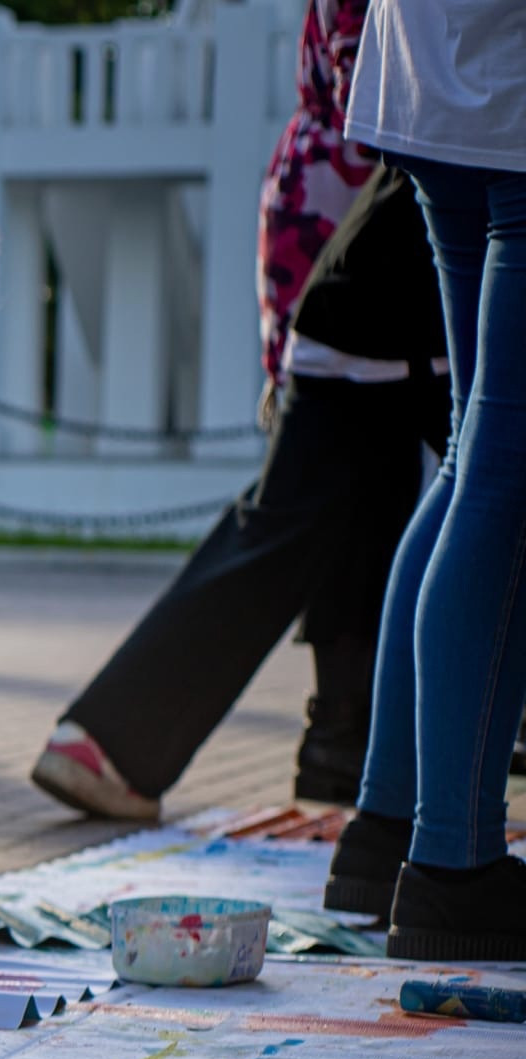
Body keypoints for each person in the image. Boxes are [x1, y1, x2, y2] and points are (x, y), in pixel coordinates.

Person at [33, 167, 446, 824]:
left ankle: (341, 757)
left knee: (364, 523)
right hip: (387, 297)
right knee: (294, 528)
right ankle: (113, 741)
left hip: (383, 296)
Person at [324, 0, 526, 959]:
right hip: (507, 84)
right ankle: (452, 868)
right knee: (502, 475)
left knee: (474, 453)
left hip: (427, 75)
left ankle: (388, 828)